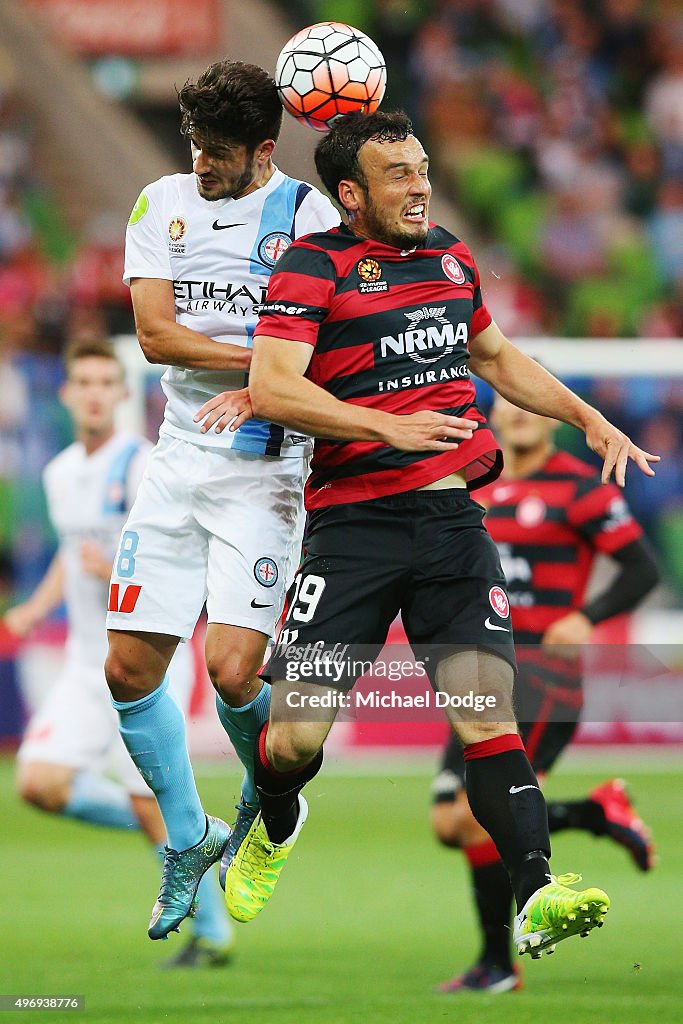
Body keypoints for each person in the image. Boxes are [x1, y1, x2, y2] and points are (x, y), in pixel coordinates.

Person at [215, 110, 659, 961]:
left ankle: (535, 891)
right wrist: (385, 429)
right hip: (351, 528)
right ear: (350, 194)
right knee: (297, 735)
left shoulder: (451, 256)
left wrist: (585, 416)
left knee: (488, 717)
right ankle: (273, 819)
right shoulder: (313, 266)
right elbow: (272, 389)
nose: (419, 186)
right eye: (397, 175)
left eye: (421, 169)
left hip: (453, 522)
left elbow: (494, 359)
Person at [103, 60, 340, 942]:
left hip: (266, 468)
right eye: (195, 147)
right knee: (127, 671)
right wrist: (267, 369)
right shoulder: (158, 201)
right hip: (176, 460)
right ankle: (192, 834)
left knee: (234, 670)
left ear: (264, 151)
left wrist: (277, 389)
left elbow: (334, 344)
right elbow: (158, 334)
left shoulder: (308, 219)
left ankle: (269, 806)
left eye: (219, 153)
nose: (201, 164)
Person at [6, 339, 233, 967]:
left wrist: (114, 568)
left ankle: (211, 933)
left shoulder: (145, 465)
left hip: (146, 659)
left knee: (147, 799)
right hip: (85, 665)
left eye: (108, 381)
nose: (97, 392)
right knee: (40, 783)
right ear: (68, 394)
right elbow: (68, 553)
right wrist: (33, 607)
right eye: (86, 382)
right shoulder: (59, 473)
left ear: (123, 392)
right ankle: (189, 834)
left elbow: (181, 551)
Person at [431, 395, 659, 994]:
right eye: (506, 406)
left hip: (542, 682)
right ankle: (594, 812)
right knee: (448, 823)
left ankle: (498, 966)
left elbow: (641, 569)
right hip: (477, 669)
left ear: (551, 418)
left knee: (474, 820)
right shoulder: (475, 480)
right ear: (494, 418)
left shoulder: (580, 489)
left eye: (528, 406)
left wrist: (586, 616)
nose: (519, 414)